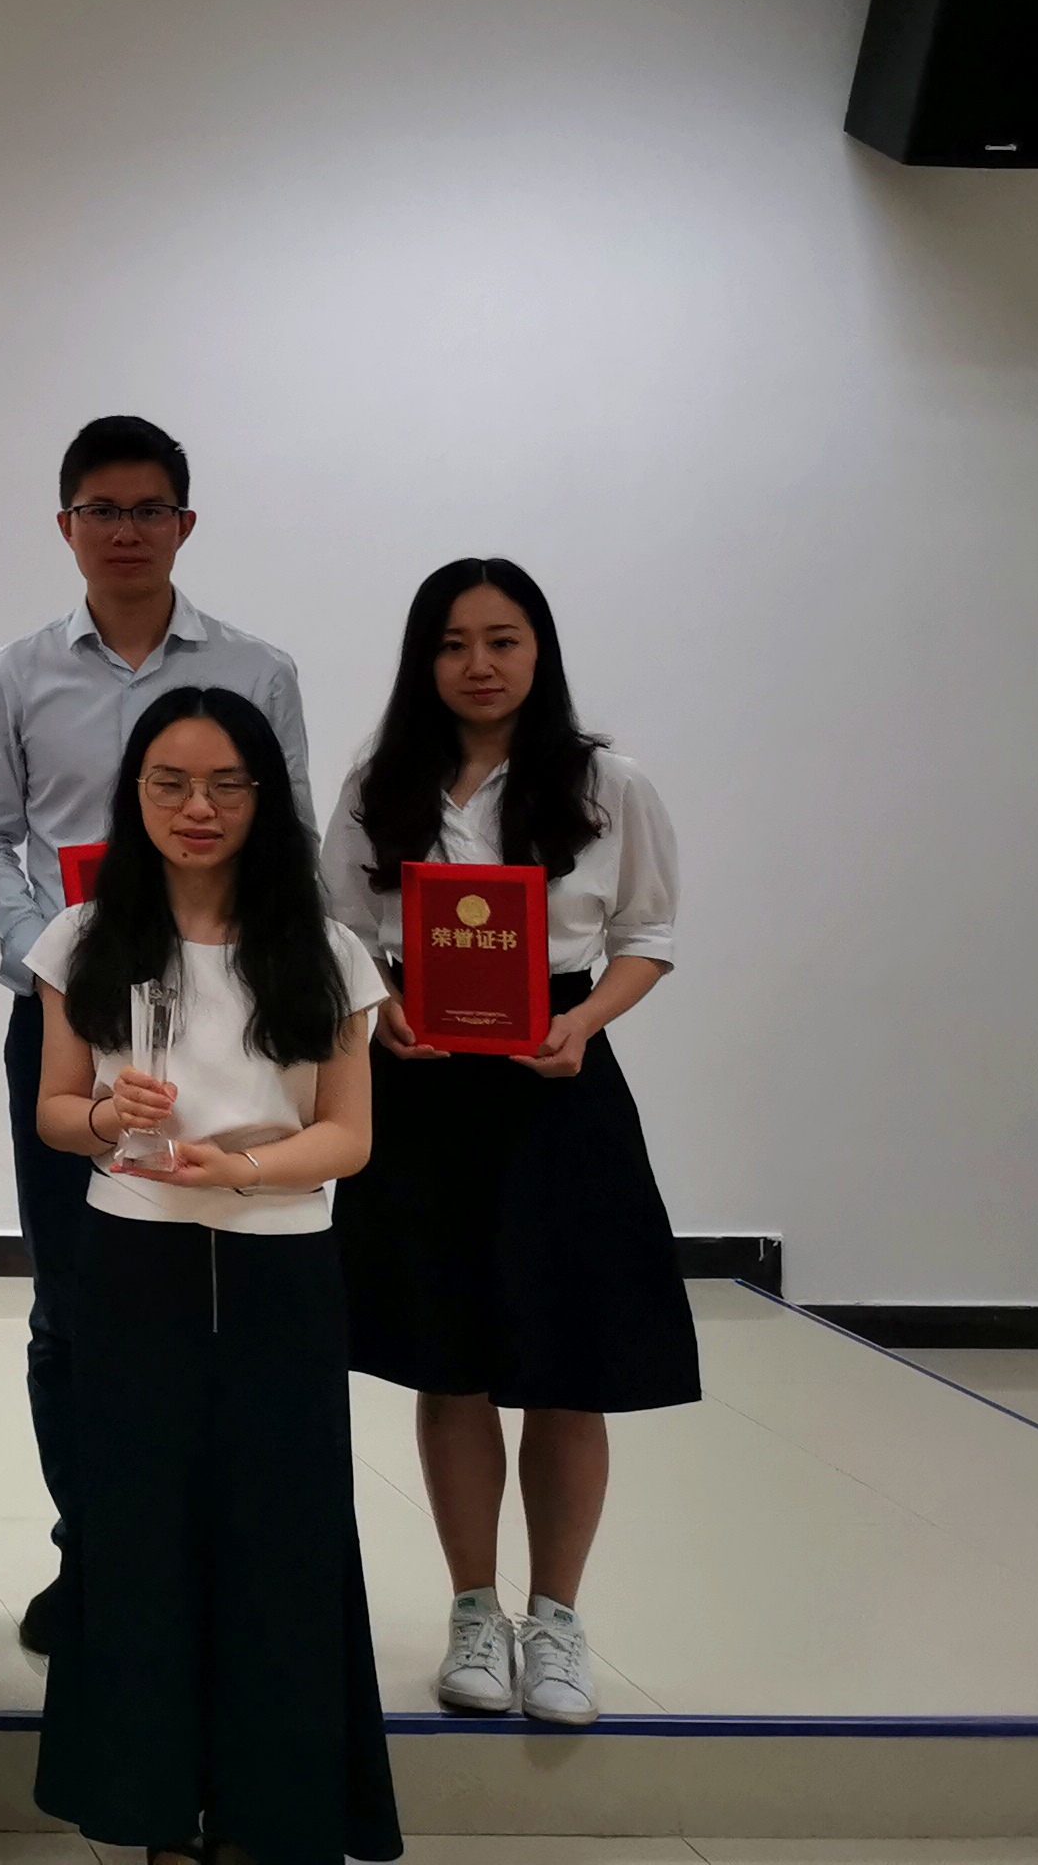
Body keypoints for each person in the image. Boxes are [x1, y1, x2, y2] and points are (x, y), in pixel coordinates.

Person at [0, 414, 313, 1655]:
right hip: (72, 1031)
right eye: (100, 511)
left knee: (220, 1292)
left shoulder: (257, 671)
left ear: (184, 524)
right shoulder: (15, 673)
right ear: (66, 527)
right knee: (74, 1302)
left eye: (148, 509)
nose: (124, 531)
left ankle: (214, 1553)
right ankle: (94, 1553)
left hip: (232, 1029)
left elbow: (291, 837)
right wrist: (57, 959)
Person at [26, 687, 398, 1865]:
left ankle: (268, 1816)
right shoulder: (82, 938)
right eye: (171, 784)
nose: (198, 807)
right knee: (140, 1531)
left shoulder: (324, 949)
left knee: (280, 1535)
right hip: (133, 1259)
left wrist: (240, 1167)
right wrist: (106, 1117)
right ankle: (154, 1815)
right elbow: (53, 1112)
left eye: (226, 785)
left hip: (282, 1265)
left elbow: (349, 1137)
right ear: (134, 795)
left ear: (262, 797)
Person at [321, 559, 694, 1730]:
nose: (478, 664)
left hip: (557, 1086)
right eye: (452, 643)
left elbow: (647, 934)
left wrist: (585, 1021)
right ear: (422, 659)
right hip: (424, 1093)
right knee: (452, 1360)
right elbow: (338, 931)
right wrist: (385, 1010)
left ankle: (560, 1621)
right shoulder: (380, 783)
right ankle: (474, 1611)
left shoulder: (607, 785)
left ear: (540, 651)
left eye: (503, 639)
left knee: (568, 1364)